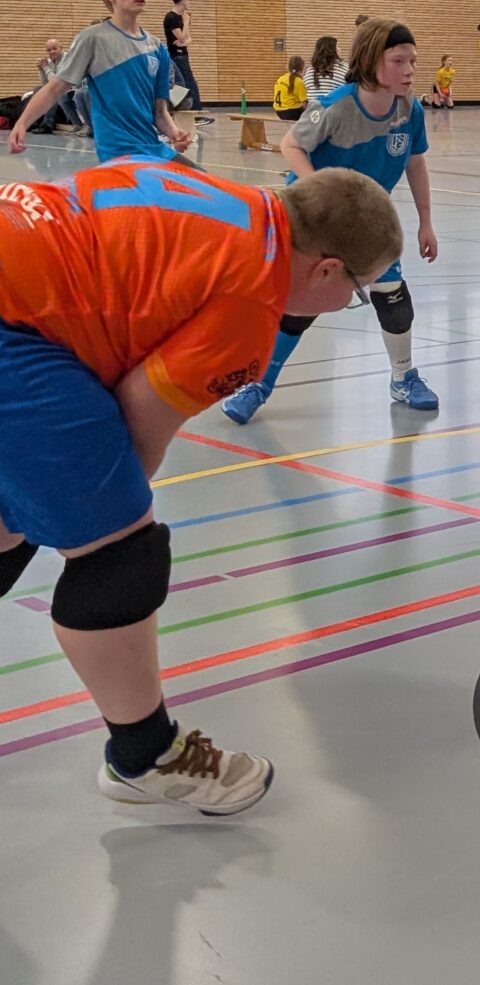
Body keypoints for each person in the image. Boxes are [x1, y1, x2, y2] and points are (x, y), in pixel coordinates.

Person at [0, 157, 403, 814]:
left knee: (19, 509)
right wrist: (88, 514)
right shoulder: (250, 303)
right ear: (327, 270)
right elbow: (137, 429)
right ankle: (146, 756)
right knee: (118, 552)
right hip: (14, 326)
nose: (348, 304)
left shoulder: (226, 197)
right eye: (358, 290)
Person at [221, 19, 441, 423]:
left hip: (367, 219)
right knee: (302, 306)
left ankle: (403, 377)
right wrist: (323, 190)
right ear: (372, 61)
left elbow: (416, 162)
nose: (410, 70)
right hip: (317, 219)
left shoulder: (409, 109)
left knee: (392, 295)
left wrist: (426, 222)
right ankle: (258, 384)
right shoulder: (337, 107)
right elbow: (291, 144)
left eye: (413, 60)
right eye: (398, 61)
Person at [8, 0, 191, 162]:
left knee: (203, 182)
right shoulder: (93, 38)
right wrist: (22, 123)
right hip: (120, 154)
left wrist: (174, 133)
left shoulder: (158, 49)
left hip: (154, 150)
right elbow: (54, 89)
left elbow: (159, 112)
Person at [29, 39, 82, 132]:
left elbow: (57, 82)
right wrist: (41, 69)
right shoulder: (49, 61)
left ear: (61, 48)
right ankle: (34, 121)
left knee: (53, 91)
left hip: (72, 88)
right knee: (37, 89)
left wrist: (45, 67)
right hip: (60, 88)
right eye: (49, 50)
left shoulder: (67, 59)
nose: (52, 52)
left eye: (54, 48)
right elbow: (45, 83)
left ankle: (48, 124)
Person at [162, 0, 202, 112]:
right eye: (188, 0)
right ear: (183, 1)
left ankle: (190, 110)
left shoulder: (182, 16)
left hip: (183, 53)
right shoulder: (171, 17)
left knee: (187, 82)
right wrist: (186, 22)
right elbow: (183, 37)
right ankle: (195, 112)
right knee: (187, 82)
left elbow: (189, 39)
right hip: (176, 55)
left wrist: (184, 41)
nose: (189, 3)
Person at [272, 56, 308, 121]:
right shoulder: (299, 81)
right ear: (302, 68)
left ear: (288, 67)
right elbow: (304, 103)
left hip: (278, 111)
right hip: (292, 112)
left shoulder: (280, 78)